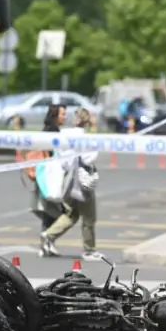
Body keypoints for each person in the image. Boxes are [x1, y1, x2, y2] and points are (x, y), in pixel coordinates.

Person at [40, 108, 104, 261]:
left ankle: (48, 235)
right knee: (89, 217)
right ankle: (89, 249)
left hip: (68, 179)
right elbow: (89, 158)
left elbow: (60, 154)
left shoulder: (64, 134)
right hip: (82, 181)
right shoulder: (88, 138)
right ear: (87, 122)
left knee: (71, 214)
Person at [30, 104, 67, 256]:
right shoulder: (52, 131)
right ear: (55, 115)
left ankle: (47, 243)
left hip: (45, 173)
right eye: (63, 114)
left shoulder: (49, 129)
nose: (65, 117)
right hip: (49, 174)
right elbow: (50, 151)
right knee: (54, 209)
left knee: (49, 209)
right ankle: (46, 241)